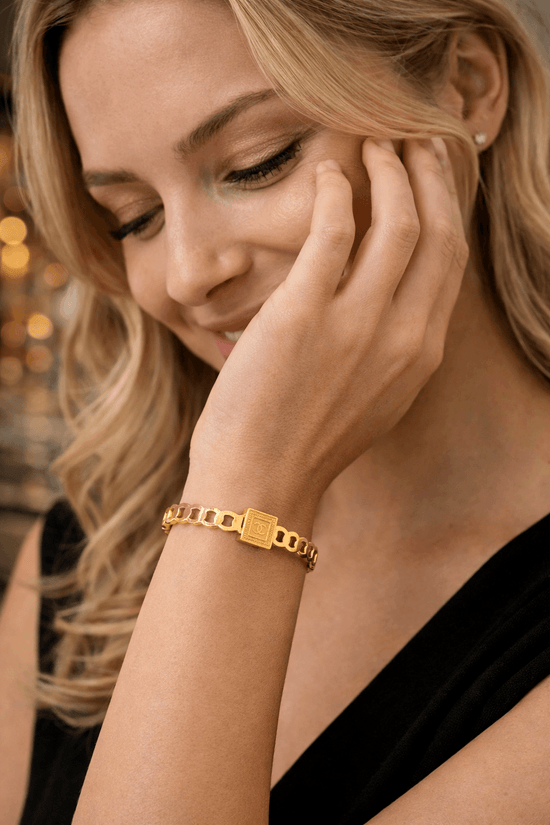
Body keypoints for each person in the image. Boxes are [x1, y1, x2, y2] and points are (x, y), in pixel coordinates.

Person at [3, 0, 550, 821]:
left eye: (259, 162)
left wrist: (251, 487)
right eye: (135, 217)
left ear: (468, 88)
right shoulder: (85, 560)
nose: (188, 273)